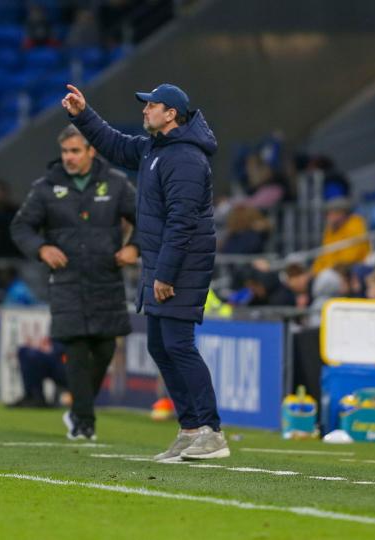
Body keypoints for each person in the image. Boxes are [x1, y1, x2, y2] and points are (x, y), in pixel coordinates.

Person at [64, 83, 229, 460]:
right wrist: (82, 115)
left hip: (181, 265)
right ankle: (190, 430)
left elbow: (182, 222)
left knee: (178, 345)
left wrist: (166, 274)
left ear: (171, 113)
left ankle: (211, 431)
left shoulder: (185, 157)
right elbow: (116, 145)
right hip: (163, 263)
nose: (144, 110)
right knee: (160, 345)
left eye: (151, 105)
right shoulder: (157, 149)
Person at [11, 124, 138, 441]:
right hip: (67, 281)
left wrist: (136, 247)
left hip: (106, 278)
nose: (68, 157)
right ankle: (84, 422)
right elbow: (21, 227)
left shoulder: (117, 184)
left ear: (91, 151)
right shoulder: (45, 188)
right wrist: (42, 248)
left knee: (106, 348)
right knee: (77, 350)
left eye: (75, 151)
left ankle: (77, 409)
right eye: (65, 151)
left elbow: (147, 220)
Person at [311, 198, 370, 274]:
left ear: (342, 214)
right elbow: (323, 256)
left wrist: (328, 269)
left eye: (331, 213)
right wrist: (314, 272)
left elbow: (350, 257)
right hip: (331, 270)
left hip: (350, 269)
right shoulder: (330, 229)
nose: (328, 217)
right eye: (328, 214)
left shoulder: (355, 225)